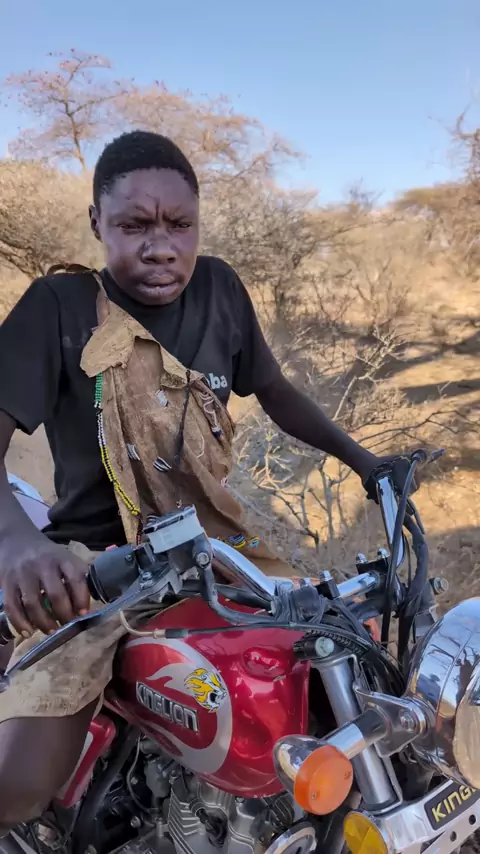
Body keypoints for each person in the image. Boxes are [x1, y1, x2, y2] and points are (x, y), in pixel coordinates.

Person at [0, 130, 394, 831]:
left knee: (349, 677)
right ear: (97, 222)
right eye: (134, 226)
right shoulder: (58, 306)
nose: (161, 247)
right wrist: (19, 544)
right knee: (21, 787)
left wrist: (369, 465)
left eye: (179, 225)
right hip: (99, 569)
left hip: (217, 550)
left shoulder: (220, 290)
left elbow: (275, 391)